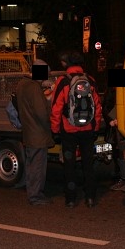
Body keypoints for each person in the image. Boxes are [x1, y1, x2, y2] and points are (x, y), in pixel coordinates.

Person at [50, 50, 103, 208]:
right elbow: (97, 106)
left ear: (67, 64)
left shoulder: (63, 81)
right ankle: (90, 198)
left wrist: (55, 130)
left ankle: (71, 199)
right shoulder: (90, 80)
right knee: (88, 164)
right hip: (87, 130)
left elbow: (56, 108)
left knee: (69, 166)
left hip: (69, 130)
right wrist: (96, 128)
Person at [16, 58, 55, 206]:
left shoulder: (22, 84)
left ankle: (32, 192)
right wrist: (51, 122)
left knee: (31, 165)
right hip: (38, 133)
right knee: (38, 166)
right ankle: (36, 196)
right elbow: (41, 113)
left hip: (28, 131)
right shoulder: (33, 87)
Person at [102, 67, 125, 193]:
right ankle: (122, 179)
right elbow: (106, 107)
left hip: (119, 127)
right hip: (115, 127)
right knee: (119, 154)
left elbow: (106, 107)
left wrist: (113, 120)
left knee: (122, 154)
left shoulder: (119, 91)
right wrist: (111, 120)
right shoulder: (114, 91)